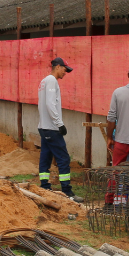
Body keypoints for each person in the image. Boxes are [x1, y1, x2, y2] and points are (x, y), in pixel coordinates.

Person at [37, 57, 81, 200]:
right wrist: (59, 124)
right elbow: (50, 104)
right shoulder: (51, 81)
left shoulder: (44, 81)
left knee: (45, 157)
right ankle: (67, 191)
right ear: (57, 67)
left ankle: (44, 186)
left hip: (43, 127)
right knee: (63, 158)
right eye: (64, 69)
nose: (65, 73)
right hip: (51, 128)